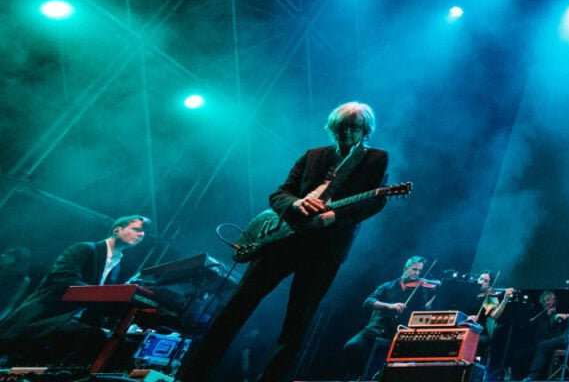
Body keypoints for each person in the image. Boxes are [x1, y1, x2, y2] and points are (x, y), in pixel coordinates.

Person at [177, 101, 390, 382]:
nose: (346, 134)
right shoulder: (313, 155)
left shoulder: (375, 158)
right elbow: (280, 193)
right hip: (282, 239)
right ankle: (191, 374)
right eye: (340, 128)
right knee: (234, 308)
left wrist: (334, 216)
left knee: (297, 323)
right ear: (332, 129)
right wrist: (295, 205)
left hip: (324, 249)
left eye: (353, 129)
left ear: (365, 130)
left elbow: (375, 202)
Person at [0, 216, 148, 362]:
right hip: (46, 317)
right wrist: (108, 295)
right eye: (137, 229)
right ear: (117, 230)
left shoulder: (116, 265)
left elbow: (96, 303)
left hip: (70, 320)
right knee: (94, 337)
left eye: (143, 232)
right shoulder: (84, 249)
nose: (141, 234)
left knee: (114, 341)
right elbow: (64, 281)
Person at [342, 256, 437, 378]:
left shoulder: (420, 290)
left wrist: (435, 298)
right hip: (375, 328)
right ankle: (360, 376)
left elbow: (422, 311)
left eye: (419, 271)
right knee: (351, 347)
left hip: (397, 333)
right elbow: (368, 302)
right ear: (405, 268)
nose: (417, 273)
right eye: (414, 269)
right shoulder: (387, 286)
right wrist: (390, 306)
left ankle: (377, 377)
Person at [524, 289, 569, 380]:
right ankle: (531, 376)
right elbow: (556, 320)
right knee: (542, 345)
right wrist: (556, 316)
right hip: (565, 337)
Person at [0, 247, 34, 321]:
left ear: (18, 259)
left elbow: (11, 304)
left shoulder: (24, 280)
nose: (2, 255)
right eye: (4, 253)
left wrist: (2, 317)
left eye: (9, 255)